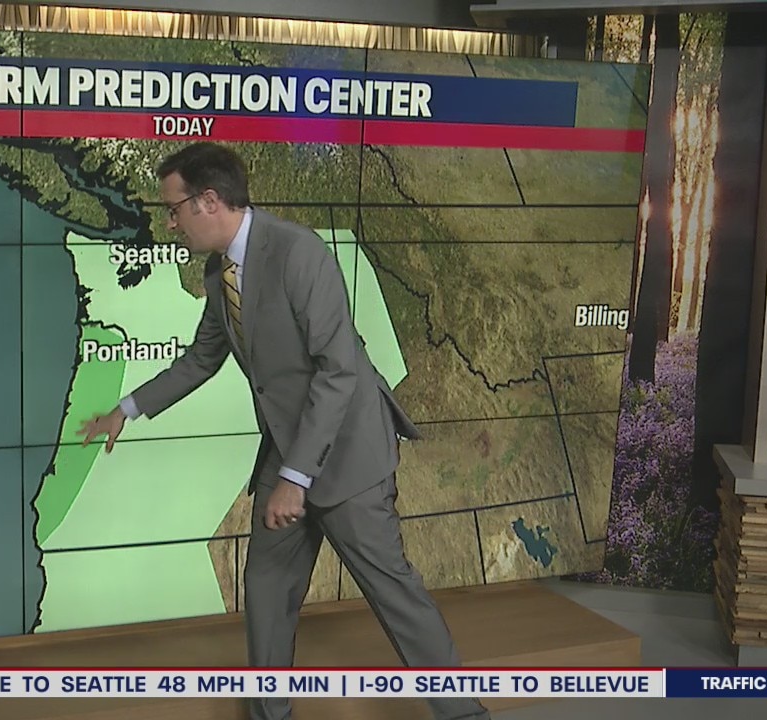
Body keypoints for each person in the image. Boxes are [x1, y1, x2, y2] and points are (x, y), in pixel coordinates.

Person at [76, 142, 490, 720]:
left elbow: (338, 372)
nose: (170, 223)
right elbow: (201, 360)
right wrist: (126, 409)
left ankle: (463, 712)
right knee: (267, 588)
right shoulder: (220, 273)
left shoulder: (299, 253)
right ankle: (270, 712)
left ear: (209, 201)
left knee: (391, 590)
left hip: (346, 450)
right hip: (286, 447)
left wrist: (296, 478)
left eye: (174, 209)